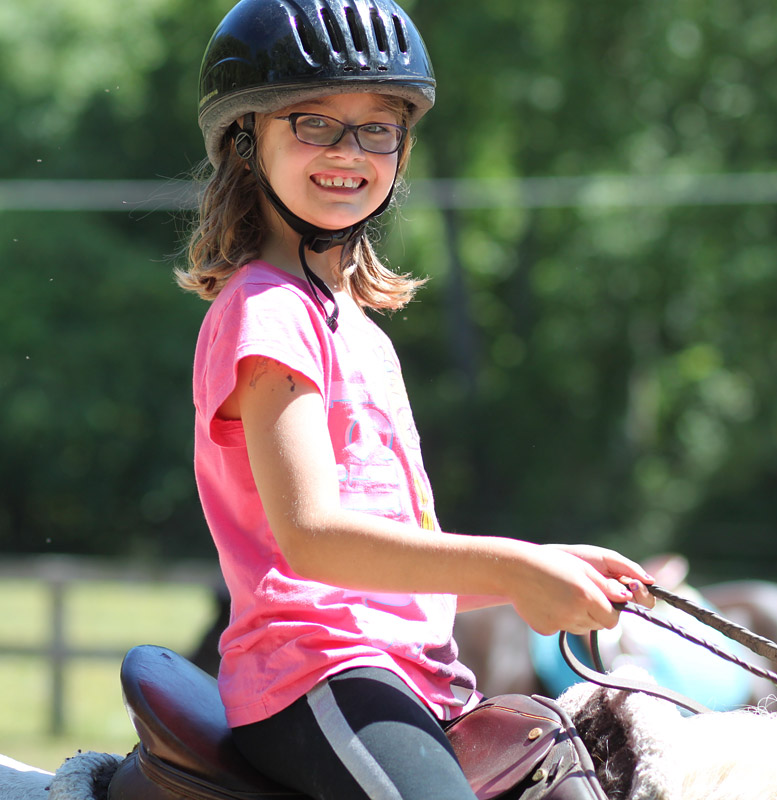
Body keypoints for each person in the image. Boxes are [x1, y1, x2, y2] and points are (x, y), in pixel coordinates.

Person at [176, 1, 655, 798]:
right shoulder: (270, 311)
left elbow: (398, 562)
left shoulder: (359, 327)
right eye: (313, 121)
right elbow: (315, 539)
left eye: (378, 126)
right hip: (319, 673)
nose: (349, 151)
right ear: (244, 141)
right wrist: (514, 564)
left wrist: (542, 571)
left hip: (420, 675)